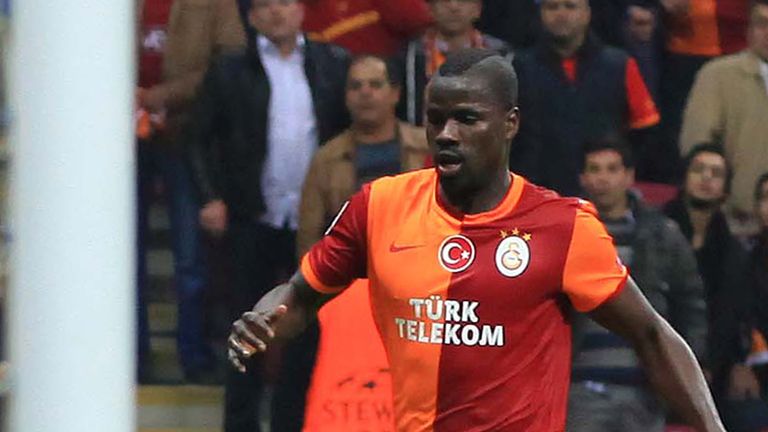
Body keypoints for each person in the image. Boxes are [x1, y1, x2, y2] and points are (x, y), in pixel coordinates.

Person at [227, 48, 725, 431]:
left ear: (509, 123)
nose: (445, 133)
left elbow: (652, 336)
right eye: (435, 118)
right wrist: (266, 320)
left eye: (466, 118)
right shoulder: (377, 207)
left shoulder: (562, 226)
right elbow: (299, 296)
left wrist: (711, 426)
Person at [185, 0, 348, 430]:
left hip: (313, 223)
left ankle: (292, 424)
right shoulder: (230, 69)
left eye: (286, 2)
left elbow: (343, 135)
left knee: (305, 331)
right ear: (251, 16)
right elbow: (197, 138)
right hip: (252, 215)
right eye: (264, 5)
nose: (276, 12)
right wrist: (210, 197)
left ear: (302, 10)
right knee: (246, 330)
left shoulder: (332, 64)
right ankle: (239, 425)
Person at [298, 54, 429, 431]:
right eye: (356, 86)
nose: (365, 94)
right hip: (347, 302)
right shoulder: (326, 159)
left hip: (419, 299)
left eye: (374, 85)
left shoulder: (426, 149)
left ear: (394, 93)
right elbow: (309, 238)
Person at [135, 0, 245, 382]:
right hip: (117, 135)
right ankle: (132, 356)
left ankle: (193, 356)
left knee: (190, 259)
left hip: (187, 132)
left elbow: (229, 57)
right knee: (120, 256)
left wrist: (160, 97)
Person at [569, 137, 706, 431]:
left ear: (630, 176)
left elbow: (690, 302)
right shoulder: (566, 232)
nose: (603, 178)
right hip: (580, 388)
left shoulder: (662, 234)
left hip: (644, 390)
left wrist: (685, 371)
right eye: (594, 169)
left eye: (612, 169)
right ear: (582, 177)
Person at [663, 144, 768, 428]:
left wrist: (738, 362)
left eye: (716, 173)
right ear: (684, 178)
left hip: (715, 369)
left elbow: (738, 317)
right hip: (659, 360)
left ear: (725, 189)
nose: (706, 178)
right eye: (698, 170)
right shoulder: (657, 233)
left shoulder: (734, 254)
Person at [512, 0, 662, 195]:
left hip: (602, 196)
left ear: (587, 13)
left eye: (570, 6)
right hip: (537, 190)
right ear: (540, 13)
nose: (561, 14)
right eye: (552, 7)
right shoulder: (521, 67)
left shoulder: (619, 64)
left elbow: (644, 129)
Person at [679, 0, 768, 233]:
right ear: (748, 29)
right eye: (762, 23)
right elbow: (696, 148)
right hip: (733, 225)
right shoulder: (717, 76)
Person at [396, 0, 512, 126]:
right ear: (430, 8)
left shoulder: (503, 56)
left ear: (477, 9)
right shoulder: (409, 56)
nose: (453, 7)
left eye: (463, 1)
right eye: (444, 1)